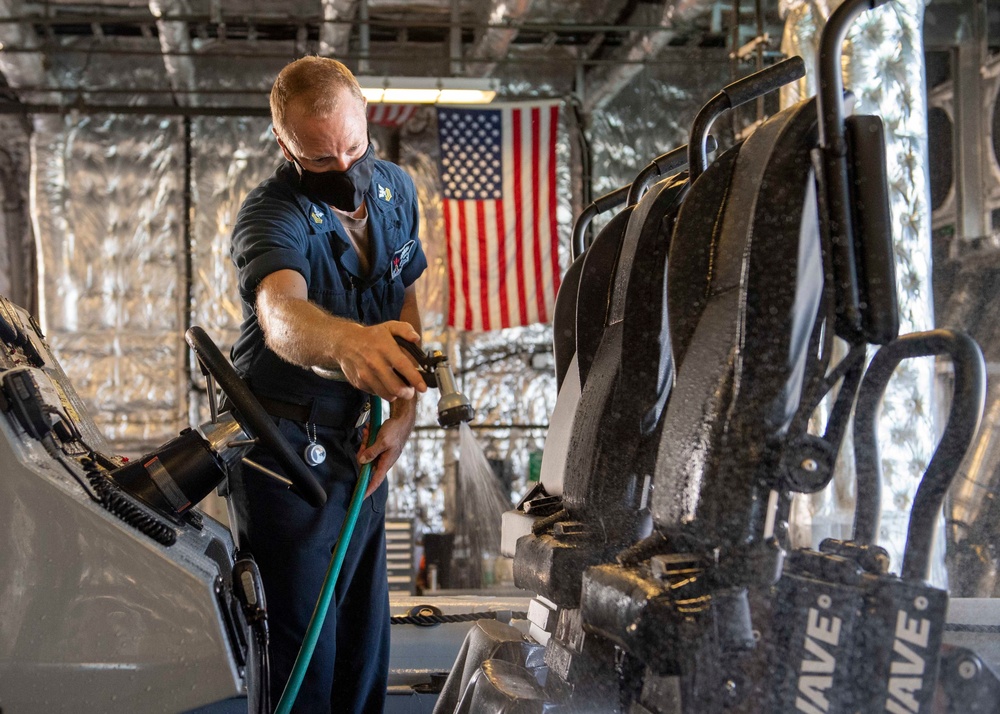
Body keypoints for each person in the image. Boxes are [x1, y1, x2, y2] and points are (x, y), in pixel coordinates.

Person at [228, 56, 428, 713]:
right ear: (284, 145)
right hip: (288, 452)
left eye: (354, 147)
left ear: (368, 118)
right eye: (319, 160)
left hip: (361, 447)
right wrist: (345, 342)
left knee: (363, 652)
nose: (344, 170)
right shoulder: (271, 213)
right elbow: (279, 313)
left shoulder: (396, 190)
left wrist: (403, 406)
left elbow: (406, 295)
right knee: (302, 661)